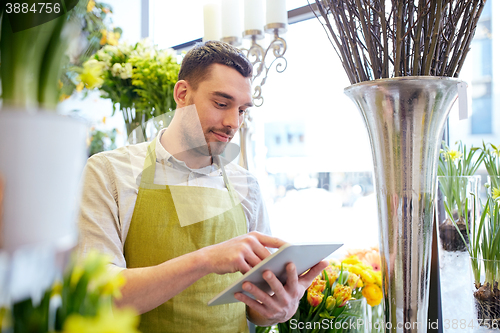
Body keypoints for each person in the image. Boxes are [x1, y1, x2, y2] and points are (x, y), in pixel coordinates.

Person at [78, 41, 328, 332]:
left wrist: (279, 309)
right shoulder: (109, 172)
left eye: (242, 110)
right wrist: (206, 260)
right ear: (182, 94)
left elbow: (254, 308)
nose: (232, 122)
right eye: (221, 104)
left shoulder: (246, 185)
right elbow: (96, 295)